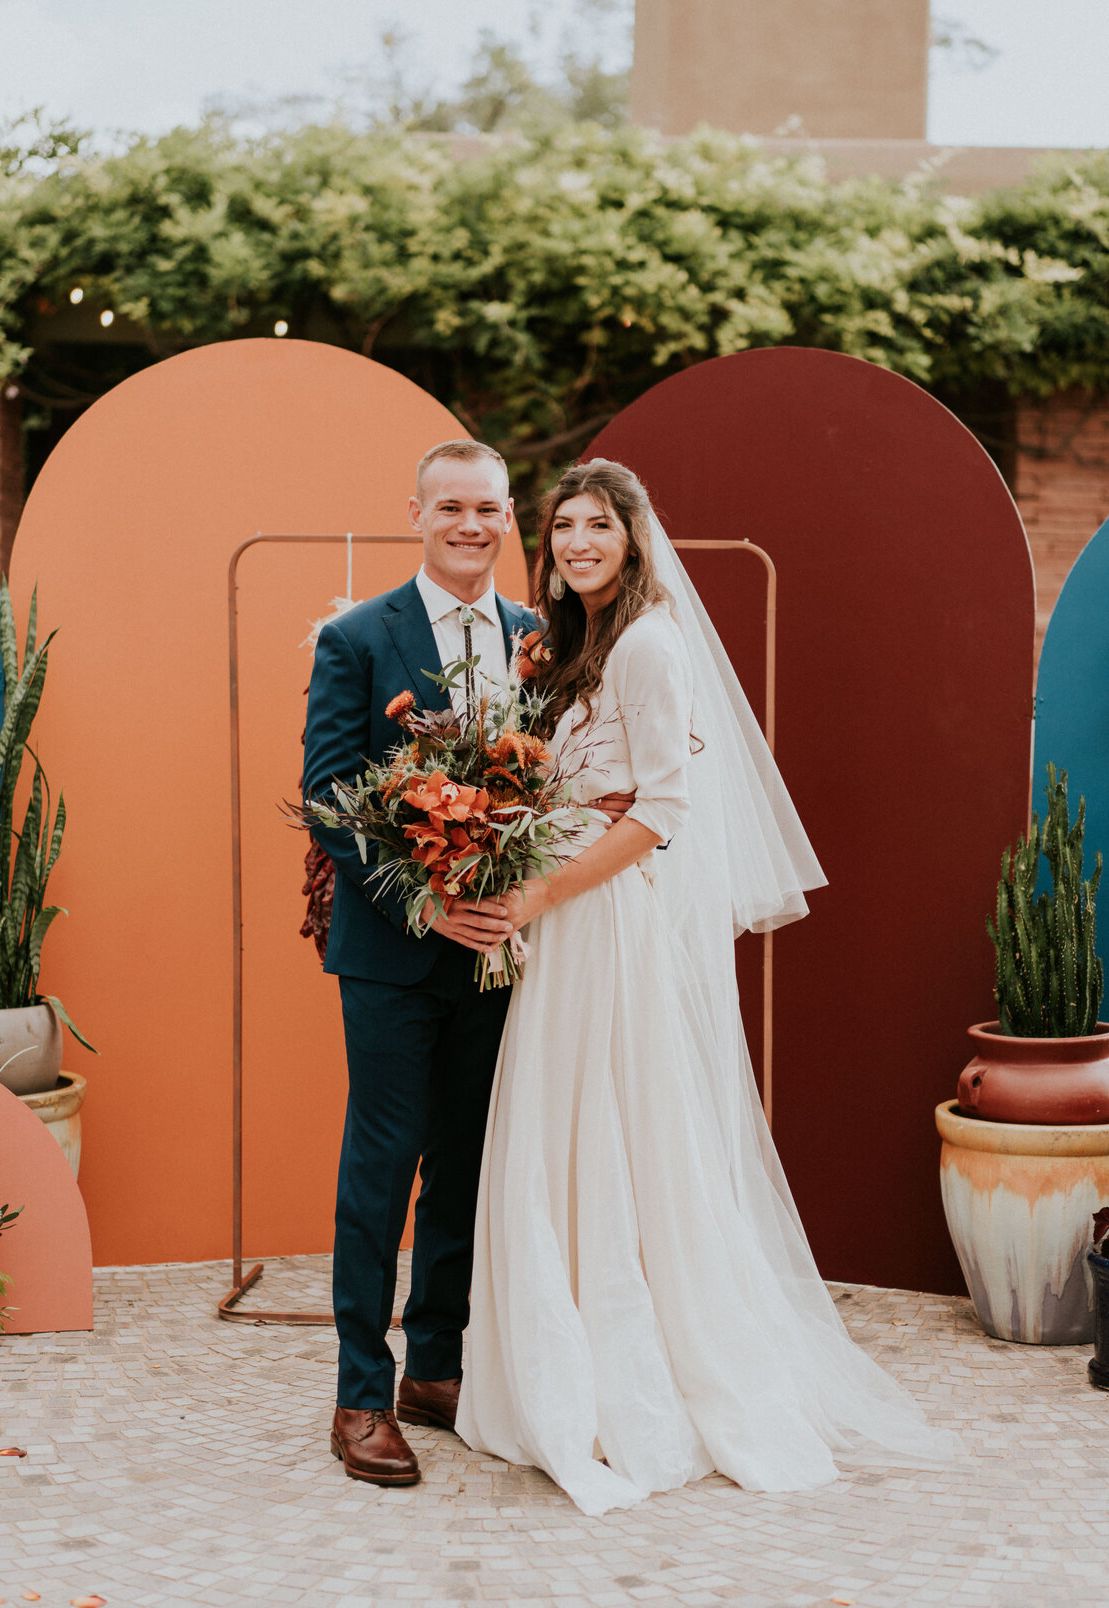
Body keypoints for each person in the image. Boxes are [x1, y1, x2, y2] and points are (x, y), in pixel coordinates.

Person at [455, 458, 955, 1515]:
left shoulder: (647, 642)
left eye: (598, 525)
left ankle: (631, 1378)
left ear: (634, 538)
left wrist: (538, 896)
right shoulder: (573, 650)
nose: (577, 543)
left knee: (619, 1131)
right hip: (563, 926)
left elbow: (661, 813)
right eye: (561, 529)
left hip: (602, 923)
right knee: (561, 1125)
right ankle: (555, 1356)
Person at [302, 440, 635, 1488]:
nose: (470, 525)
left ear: (507, 520)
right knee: (384, 1161)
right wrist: (430, 901)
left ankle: (434, 1368)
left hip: (504, 955)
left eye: (489, 509)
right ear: (416, 512)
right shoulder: (356, 637)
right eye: (450, 506)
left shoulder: (544, 638)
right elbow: (327, 798)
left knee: (469, 1161)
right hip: (396, 956)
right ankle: (362, 1392)